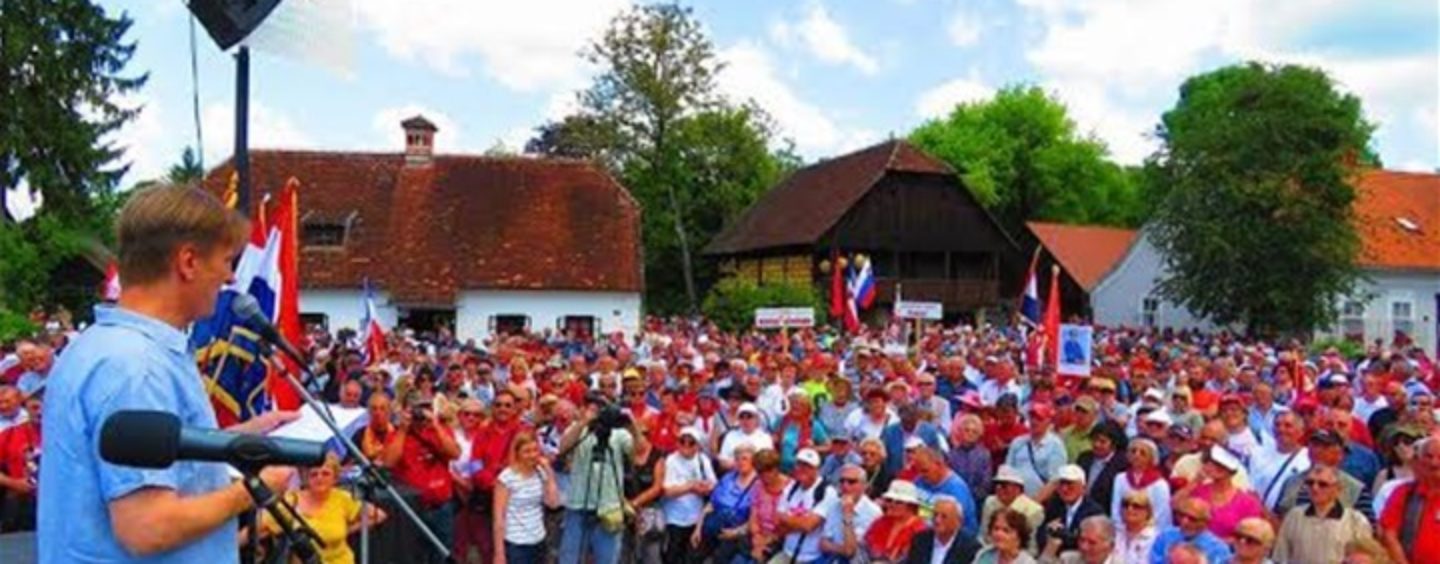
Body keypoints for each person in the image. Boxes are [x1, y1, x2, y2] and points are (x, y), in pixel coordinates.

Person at [38, 184, 299, 562]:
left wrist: (240, 438)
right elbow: (147, 527)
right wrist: (256, 488)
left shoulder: (105, 347)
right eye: (227, 261)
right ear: (188, 262)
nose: (229, 278)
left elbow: (154, 463)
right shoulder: (136, 368)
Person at [557, 394, 645, 564]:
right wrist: (584, 421)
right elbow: (563, 448)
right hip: (578, 505)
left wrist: (631, 423)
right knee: (569, 559)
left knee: (607, 560)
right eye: (591, 407)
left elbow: (640, 453)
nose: (597, 411)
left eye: (600, 408)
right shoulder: (577, 429)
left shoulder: (618, 433)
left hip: (608, 508)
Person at [255, 454, 387, 564]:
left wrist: (347, 530)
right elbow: (260, 528)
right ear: (306, 478)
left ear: (335, 478)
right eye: (314, 474)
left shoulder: (342, 498)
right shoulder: (291, 500)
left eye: (325, 474)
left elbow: (378, 515)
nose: (320, 478)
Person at [1273, 465, 1372, 563]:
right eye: (1310, 483)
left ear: (1338, 489)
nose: (1315, 488)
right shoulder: (1294, 517)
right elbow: (1281, 557)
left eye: (1323, 484)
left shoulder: (1356, 521)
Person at [493, 433, 561, 564]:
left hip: (538, 539)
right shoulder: (507, 478)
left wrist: (548, 471)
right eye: (527, 451)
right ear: (517, 453)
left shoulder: (540, 473)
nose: (532, 455)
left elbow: (553, 503)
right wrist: (499, 553)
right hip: (516, 543)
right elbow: (499, 518)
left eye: (535, 450)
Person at [1173, 445, 1262, 539]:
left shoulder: (1248, 503)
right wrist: (1196, 481)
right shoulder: (1198, 490)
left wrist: (1216, 544)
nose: (1213, 467)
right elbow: (1175, 504)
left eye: (1221, 466)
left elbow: (1249, 535)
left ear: (1230, 471)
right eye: (1213, 463)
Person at [1378, 436, 1440, 564]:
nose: (1434, 463)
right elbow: (1388, 534)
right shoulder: (1404, 493)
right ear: (1419, 460)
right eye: (1428, 456)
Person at [695, 444, 758, 563]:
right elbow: (711, 504)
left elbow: (757, 518)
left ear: (753, 461)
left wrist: (735, 532)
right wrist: (698, 528)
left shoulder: (759, 485)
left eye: (745, 459)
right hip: (715, 527)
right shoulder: (728, 478)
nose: (740, 462)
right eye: (737, 459)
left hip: (738, 534)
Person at [662, 427, 716, 563]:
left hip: (696, 518)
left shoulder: (703, 460)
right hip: (674, 518)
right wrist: (691, 486)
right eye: (682, 441)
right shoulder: (671, 460)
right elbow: (668, 491)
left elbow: (713, 484)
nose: (686, 445)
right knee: (672, 556)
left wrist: (703, 488)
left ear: (697, 445)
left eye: (691, 443)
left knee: (692, 558)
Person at [817, 463, 884, 562]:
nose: (845, 485)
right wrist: (841, 549)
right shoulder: (835, 504)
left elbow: (850, 551)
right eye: (842, 481)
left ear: (864, 485)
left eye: (851, 482)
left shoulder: (873, 512)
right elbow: (823, 543)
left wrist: (848, 514)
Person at [775, 448, 832, 563]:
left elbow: (808, 526)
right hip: (786, 552)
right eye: (799, 465)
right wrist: (800, 522)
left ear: (817, 469)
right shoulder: (792, 486)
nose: (802, 469)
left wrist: (788, 519)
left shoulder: (826, 492)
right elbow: (777, 518)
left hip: (811, 558)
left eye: (808, 466)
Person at [1249, 411, 1310, 513]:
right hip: (1256, 516)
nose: (1281, 429)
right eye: (1277, 425)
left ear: (1301, 432)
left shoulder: (1308, 459)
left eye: (1288, 426)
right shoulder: (1258, 454)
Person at [911, 446, 979, 537]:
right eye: (918, 471)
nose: (921, 475)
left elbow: (951, 524)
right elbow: (910, 509)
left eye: (925, 471)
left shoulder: (957, 488)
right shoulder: (919, 481)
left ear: (939, 465)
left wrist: (921, 510)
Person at [1037, 464, 1105, 554]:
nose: (1065, 489)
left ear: (1083, 488)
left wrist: (1061, 534)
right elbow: (1040, 535)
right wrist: (1048, 529)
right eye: (1062, 484)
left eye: (1070, 484)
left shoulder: (1093, 512)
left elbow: (1087, 543)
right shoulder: (1054, 506)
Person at [1006, 403, 1067, 498]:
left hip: (1040, 500)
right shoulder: (1018, 442)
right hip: (1014, 498)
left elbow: (1054, 481)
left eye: (1039, 419)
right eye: (1032, 418)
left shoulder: (1055, 445)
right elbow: (1007, 472)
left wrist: (1034, 503)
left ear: (1048, 422)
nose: (1034, 422)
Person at [1109, 438, 1171, 531]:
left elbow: (1161, 514)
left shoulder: (1159, 484)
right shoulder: (1120, 478)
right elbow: (1115, 508)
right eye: (1133, 451)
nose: (1136, 455)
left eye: (1142, 453)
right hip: (1122, 530)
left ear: (1151, 458)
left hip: (1150, 533)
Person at [1146, 497, 1231, 564]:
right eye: (1182, 515)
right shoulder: (1165, 536)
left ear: (1205, 522)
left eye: (1192, 519)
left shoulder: (1218, 548)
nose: (1184, 522)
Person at [0, 392, 41, 532]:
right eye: (35, 408)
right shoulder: (10, 434)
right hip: (24, 501)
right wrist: (13, 483)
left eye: (45, 407)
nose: (40, 412)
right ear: (26, 408)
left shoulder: (68, 433)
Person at [902, 494, 981, 564]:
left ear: (958, 521)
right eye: (935, 515)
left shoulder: (970, 548)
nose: (937, 520)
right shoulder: (920, 540)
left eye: (944, 517)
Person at [981, 466, 1045, 550]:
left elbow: (1031, 545)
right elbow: (985, 535)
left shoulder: (1033, 510)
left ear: (1017, 489)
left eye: (1004, 485)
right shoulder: (989, 502)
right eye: (997, 484)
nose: (999, 488)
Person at [863, 480, 928, 562]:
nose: (892, 505)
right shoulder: (879, 522)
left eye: (898, 502)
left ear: (911, 506)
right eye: (889, 500)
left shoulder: (920, 530)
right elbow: (865, 548)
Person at [748, 448, 792, 562]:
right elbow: (754, 514)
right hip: (758, 535)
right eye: (759, 472)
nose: (763, 475)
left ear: (776, 468)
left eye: (767, 470)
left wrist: (767, 540)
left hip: (779, 538)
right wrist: (756, 536)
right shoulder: (758, 485)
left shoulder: (790, 488)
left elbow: (789, 524)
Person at [881, 403, 945, 477]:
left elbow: (937, 456)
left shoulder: (930, 432)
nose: (908, 424)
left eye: (911, 420)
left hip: (923, 476)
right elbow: (885, 458)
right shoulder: (890, 432)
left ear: (917, 418)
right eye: (905, 421)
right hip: (896, 476)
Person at [1075, 421, 1127, 510]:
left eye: (1102, 442)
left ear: (1113, 444)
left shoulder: (1122, 464)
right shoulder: (1084, 458)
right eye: (1094, 440)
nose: (1096, 444)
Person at [777, 392, 831, 472]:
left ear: (807, 408)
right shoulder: (782, 421)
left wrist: (814, 448)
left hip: (803, 469)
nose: (796, 406)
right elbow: (774, 437)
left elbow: (828, 446)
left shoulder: (813, 425)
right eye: (793, 403)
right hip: (781, 468)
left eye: (800, 404)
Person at [946, 413, 992, 499]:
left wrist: (972, 496)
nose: (970, 434)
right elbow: (948, 480)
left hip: (977, 500)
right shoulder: (951, 455)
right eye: (967, 430)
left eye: (974, 432)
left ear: (979, 434)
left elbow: (986, 482)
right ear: (961, 432)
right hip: (955, 498)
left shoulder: (984, 455)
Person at [1040, 515, 1117, 564]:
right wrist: (1049, 550)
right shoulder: (1068, 560)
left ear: (1110, 547)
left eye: (1092, 543)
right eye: (1081, 540)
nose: (1084, 547)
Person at [718, 403, 774, 471]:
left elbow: (769, 461)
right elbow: (722, 461)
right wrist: (740, 465)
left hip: (759, 474)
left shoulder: (765, 437)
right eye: (742, 417)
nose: (745, 420)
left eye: (749, 417)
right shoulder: (730, 436)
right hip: (734, 473)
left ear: (756, 419)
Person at [973, 508, 1038, 564]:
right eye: (996, 528)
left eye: (1006, 531)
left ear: (1019, 537)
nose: (998, 534)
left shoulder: (1027, 562)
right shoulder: (984, 554)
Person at [1112, 491, 1158, 564]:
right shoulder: (1114, 533)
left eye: (1136, 506)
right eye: (1126, 505)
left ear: (1147, 511)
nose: (1130, 509)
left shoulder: (1155, 538)